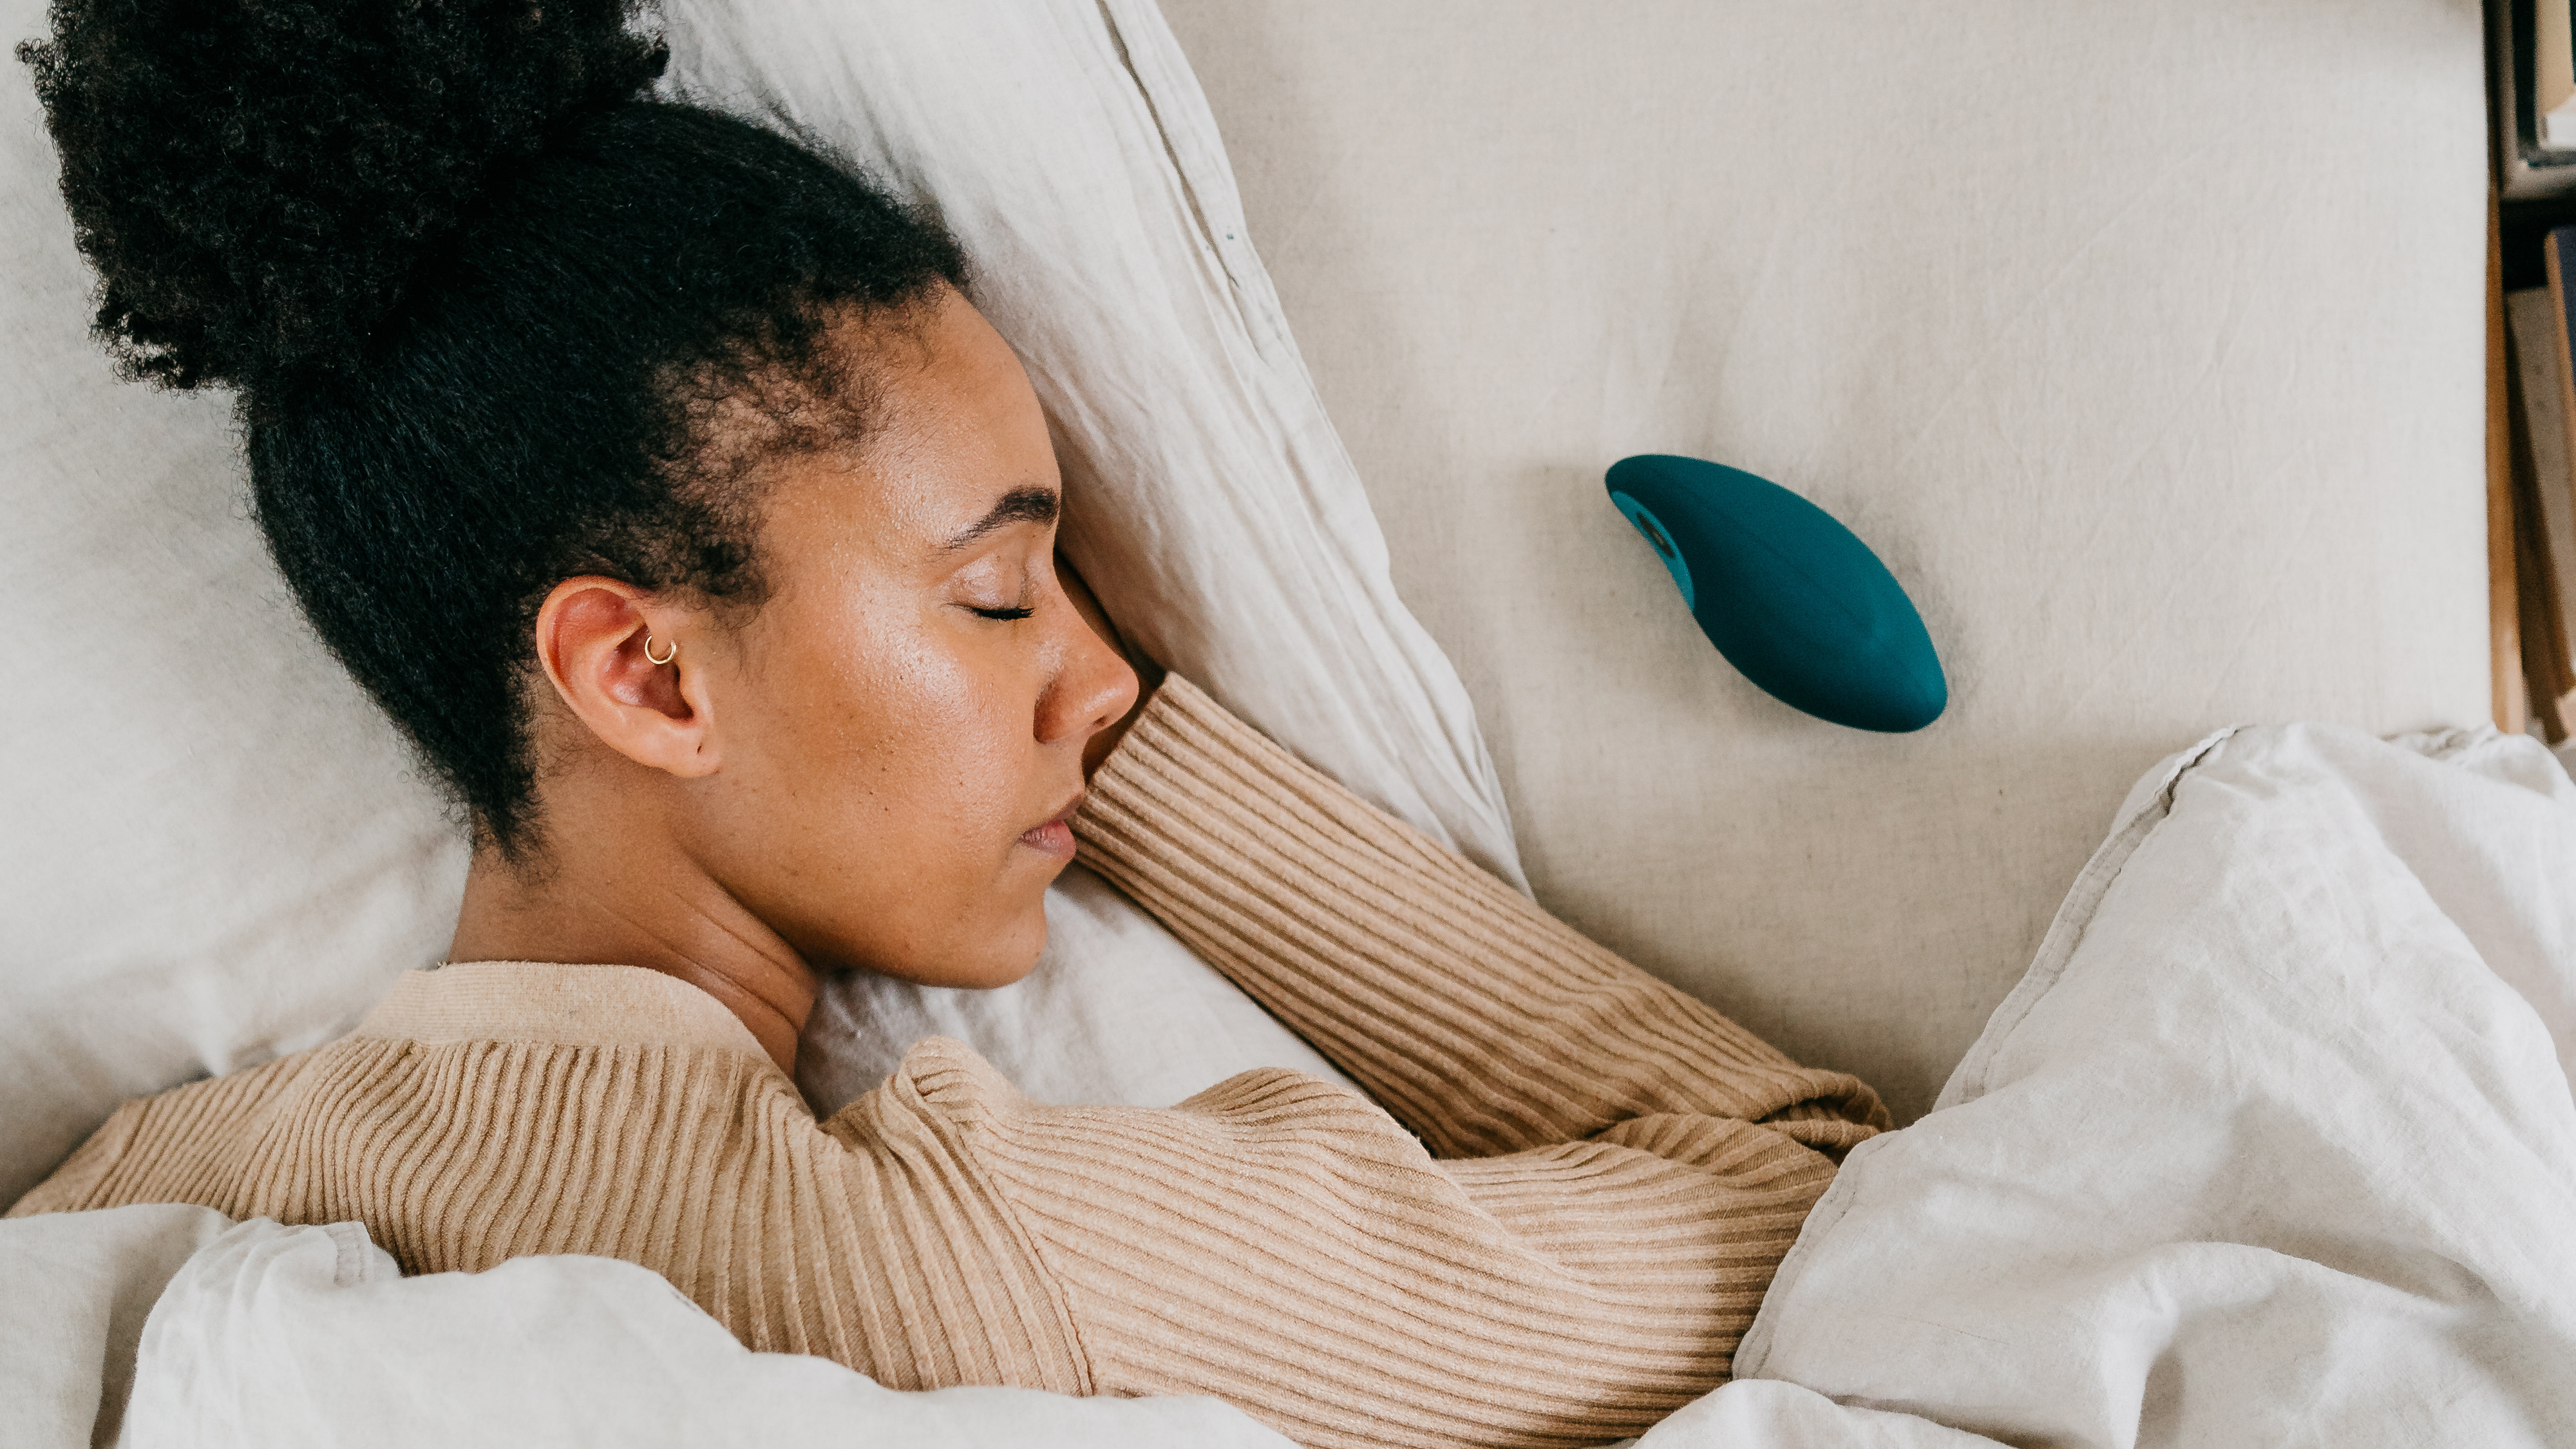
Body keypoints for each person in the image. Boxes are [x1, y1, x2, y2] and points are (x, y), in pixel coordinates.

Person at [7, 3, 1888, 1446]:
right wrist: (1150, 768)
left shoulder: (140, 1192)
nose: (1097, 674)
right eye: (1001, 595)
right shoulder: (960, 1265)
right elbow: (1798, 1191)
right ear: (646, 676)